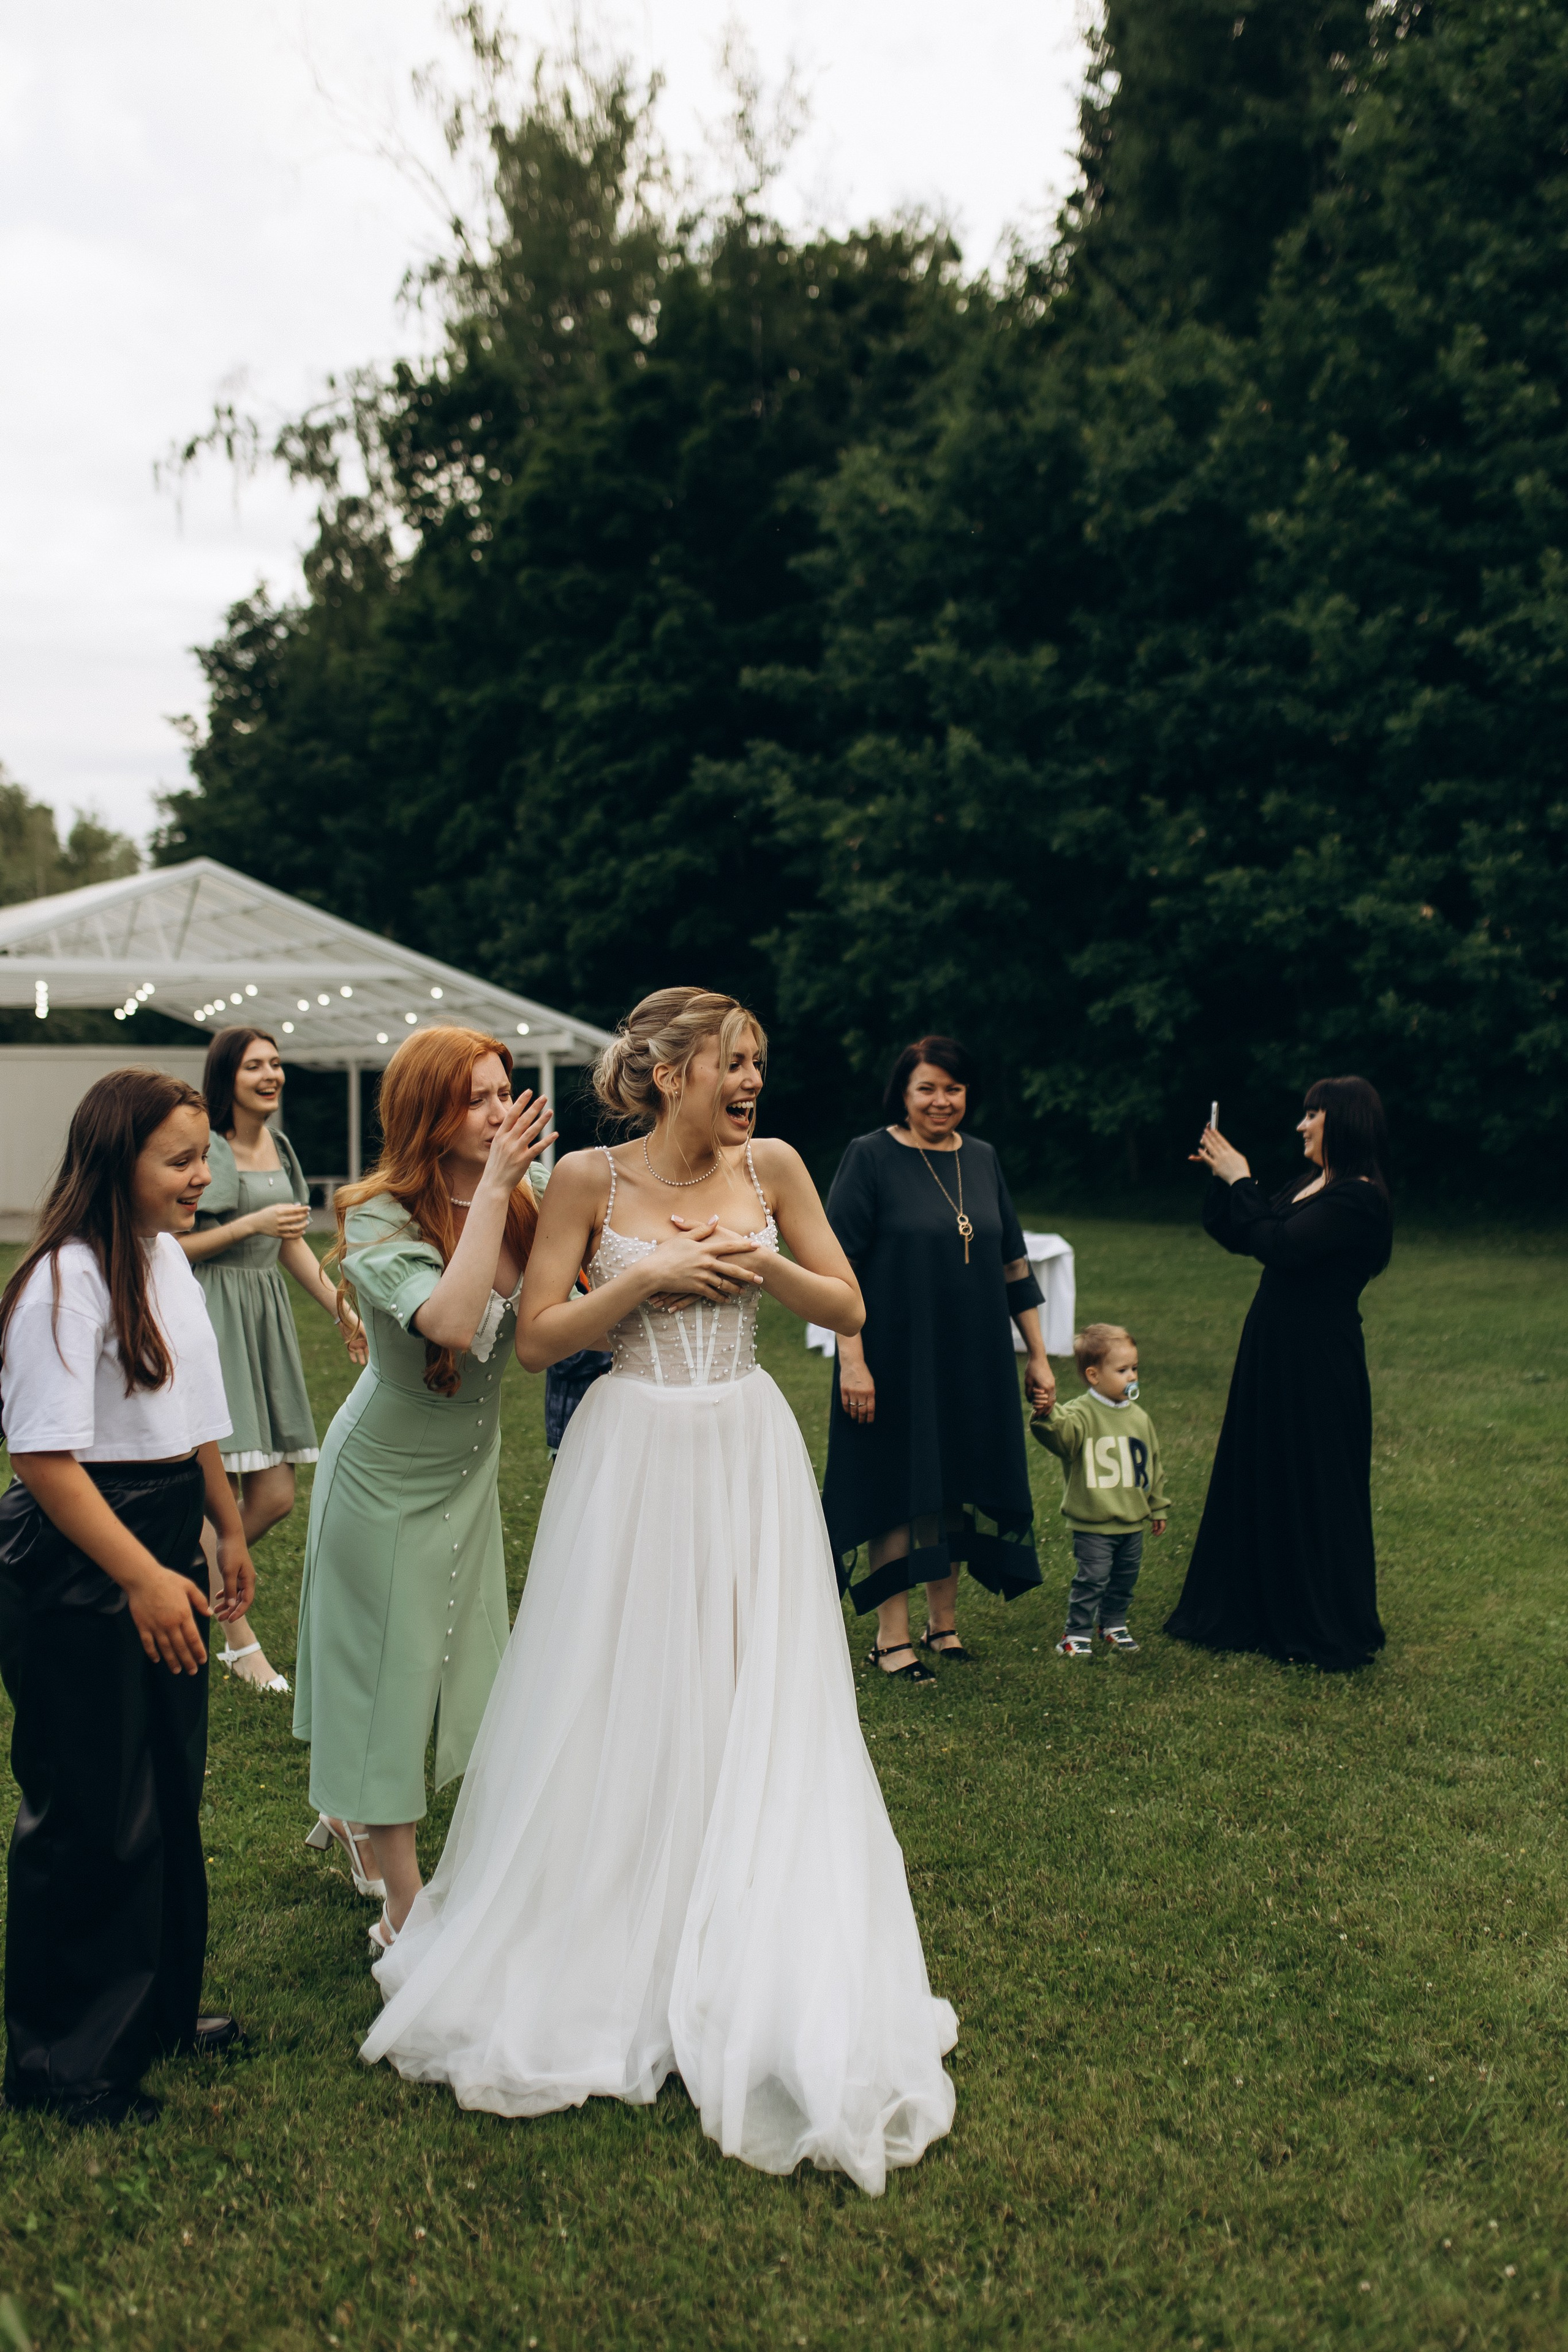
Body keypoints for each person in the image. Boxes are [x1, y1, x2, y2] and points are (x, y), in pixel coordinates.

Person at [361, 987, 957, 2195]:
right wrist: (638, 1285)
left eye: (758, 1066)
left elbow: (846, 1305)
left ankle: (742, 1922)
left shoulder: (777, 1165)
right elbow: (535, 1339)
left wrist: (762, 1266)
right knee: (623, 1684)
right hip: (630, 1448)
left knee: (754, 1685)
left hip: (742, 1441)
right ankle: (613, 1920)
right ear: (670, 1071)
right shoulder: (589, 1179)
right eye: (731, 1066)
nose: (749, 1085)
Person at [0, 1069, 252, 2126]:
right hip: (80, 1553)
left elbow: (187, 1402)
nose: (204, 1177)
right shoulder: (67, 1279)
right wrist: (141, 1575)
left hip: (160, 1530)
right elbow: (44, 1456)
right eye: (182, 1161)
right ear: (119, 1161)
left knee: (165, 1788)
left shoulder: (160, 1260)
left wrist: (223, 1523)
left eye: (205, 1157)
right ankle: (64, 2064)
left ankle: (154, 2014)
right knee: (93, 1807)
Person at [293, 1028, 554, 1944]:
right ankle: (404, 1906)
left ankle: (356, 1814)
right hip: (380, 1478)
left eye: (503, 1091)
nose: (498, 1112)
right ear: (427, 1114)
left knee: (463, 1662)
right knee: (390, 1676)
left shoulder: (530, 1193)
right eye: (476, 1097)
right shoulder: (375, 1217)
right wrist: (494, 1192)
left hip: (467, 1475)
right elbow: (448, 1320)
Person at [822, 1035, 1054, 1683]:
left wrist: (1036, 1355)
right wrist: (852, 1362)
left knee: (952, 1486)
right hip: (892, 1357)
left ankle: (942, 1625)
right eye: (927, 1088)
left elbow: (1013, 1262)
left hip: (971, 1359)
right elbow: (836, 1267)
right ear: (903, 1092)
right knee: (897, 1491)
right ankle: (890, 1638)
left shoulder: (980, 1159)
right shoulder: (868, 1157)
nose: (940, 1101)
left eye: (952, 1089)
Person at [1165, 1076, 1393, 1672]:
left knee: (1313, 1478)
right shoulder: (1313, 1184)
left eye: (1312, 1114)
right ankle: (1254, 1608)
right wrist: (1225, 1184)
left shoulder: (1359, 1198)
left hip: (1317, 1358)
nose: (1301, 1125)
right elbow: (1246, 1234)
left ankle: (1313, 1620)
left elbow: (1283, 1247)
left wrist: (1242, 1178)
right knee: (1263, 1465)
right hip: (1272, 1348)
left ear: (1342, 1122)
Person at [179, 1027, 366, 1694]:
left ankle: (176, 1593)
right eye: (255, 1065)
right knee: (221, 1492)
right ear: (225, 1076)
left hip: (264, 1321)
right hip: (209, 1318)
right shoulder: (207, 1150)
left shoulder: (280, 1148)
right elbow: (170, 1248)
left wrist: (346, 1316)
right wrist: (247, 1226)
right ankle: (240, 1644)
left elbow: (291, 1249)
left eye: (277, 1063)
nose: (271, 1074)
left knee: (276, 1494)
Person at [1030, 1323, 1169, 1657]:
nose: (1132, 1377)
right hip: (1093, 1521)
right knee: (1092, 1580)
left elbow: (1153, 1464)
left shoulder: (1139, 1418)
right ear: (1094, 1376)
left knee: (1124, 1581)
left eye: (1134, 1368)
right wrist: (1047, 1413)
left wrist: (1158, 1506)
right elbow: (1060, 1436)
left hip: (1132, 1521)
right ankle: (1075, 1634)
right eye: (1122, 1370)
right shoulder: (1080, 1413)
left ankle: (1113, 1625)